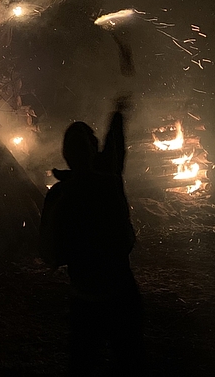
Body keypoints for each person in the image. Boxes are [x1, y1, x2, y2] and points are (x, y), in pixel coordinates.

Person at [39, 98, 145, 376]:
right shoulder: (106, 182)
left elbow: (49, 253)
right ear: (92, 151)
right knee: (128, 359)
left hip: (84, 295)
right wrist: (118, 116)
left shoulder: (59, 195)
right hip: (119, 291)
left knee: (83, 363)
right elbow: (114, 151)